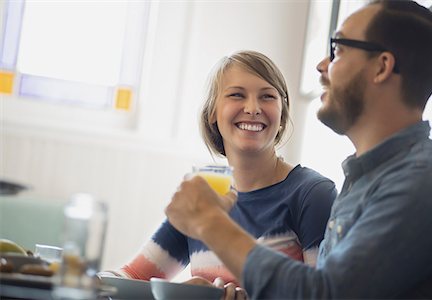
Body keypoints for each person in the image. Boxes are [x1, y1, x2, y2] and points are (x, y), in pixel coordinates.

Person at [165, 1, 432, 299]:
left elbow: (326, 295)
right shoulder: (365, 179)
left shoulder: (424, 181)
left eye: (337, 50)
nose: (321, 65)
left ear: (381, 67)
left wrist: (210, 222)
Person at [100, 51, 336, 288]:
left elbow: (322, 294)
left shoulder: (313, 193)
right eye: (236, 95)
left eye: (267, 96)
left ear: (283, 113)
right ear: (212, 112)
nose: (253, 108)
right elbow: (131, 278)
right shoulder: (203, 194)